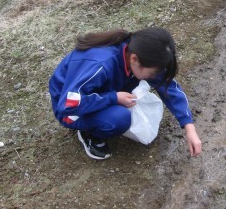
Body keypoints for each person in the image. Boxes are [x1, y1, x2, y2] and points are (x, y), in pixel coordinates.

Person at [49, 27, 202, 160]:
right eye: (153, 73)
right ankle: (88, 133)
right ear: (135, 59)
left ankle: (101, 114)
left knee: (129, 95)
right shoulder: (100, 65)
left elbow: (168, 87)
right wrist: (113, 98)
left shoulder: (135, 52)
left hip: (97, 93)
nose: (155, 77)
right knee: (120, 118)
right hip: (70, 109)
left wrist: (189, 127)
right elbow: (67, 104)